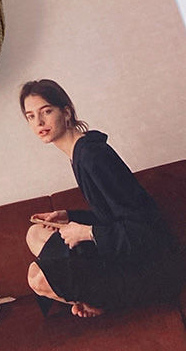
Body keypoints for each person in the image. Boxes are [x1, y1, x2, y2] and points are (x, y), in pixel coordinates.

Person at [20, 79, 184, 318]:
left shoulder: (93, 156)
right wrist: (69, 216)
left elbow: (143, 230)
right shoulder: (79, 154)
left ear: (66, 112)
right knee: (35, 234)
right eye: (31, 116)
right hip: (122, 252)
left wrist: (86, 232)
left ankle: (100, 302)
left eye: (46, 111)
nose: (39, 122)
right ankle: (92, 295)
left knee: (37, 278)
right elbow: (113, 215)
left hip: (150, 266)